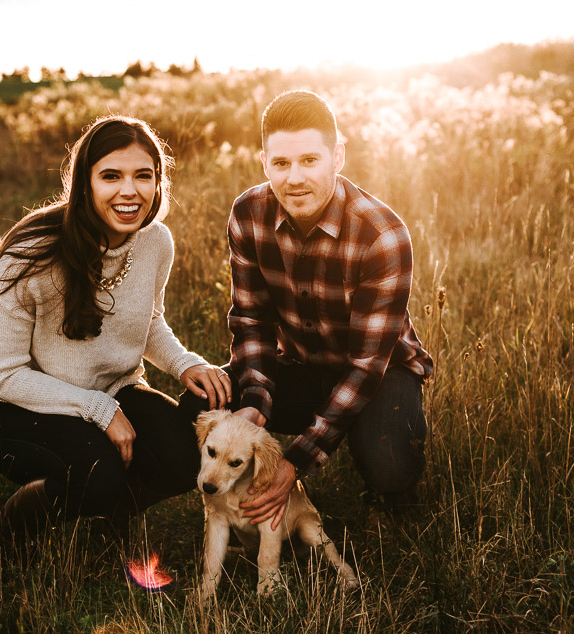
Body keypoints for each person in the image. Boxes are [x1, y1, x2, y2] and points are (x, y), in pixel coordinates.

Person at [0, 115, 231, 555]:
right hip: (23, 406)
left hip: (116, 390)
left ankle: (112, 518)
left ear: (157, 183)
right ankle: (16, 523)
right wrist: (97, 409)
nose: (130, 191)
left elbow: (147, 321)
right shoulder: (28, 256)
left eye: (143, 176)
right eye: (111, 176)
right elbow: (3, 374)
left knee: (186, 457)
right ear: (84, 182)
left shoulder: (155, 242)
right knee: (100, 472)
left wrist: (186, 363)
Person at [182, 90, 432, 528]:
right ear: (264, 162)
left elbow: (365, 367)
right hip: (295, 363)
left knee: (389, 463)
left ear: (337, 156)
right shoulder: (248, 214)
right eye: (281, 164)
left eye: (309, 161)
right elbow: (252, 322)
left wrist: (294, 462)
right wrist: (256, 403)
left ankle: (393, 503)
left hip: (377, 376)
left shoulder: (382, 234)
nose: (294, 178)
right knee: (199, 403)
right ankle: (220, 502)